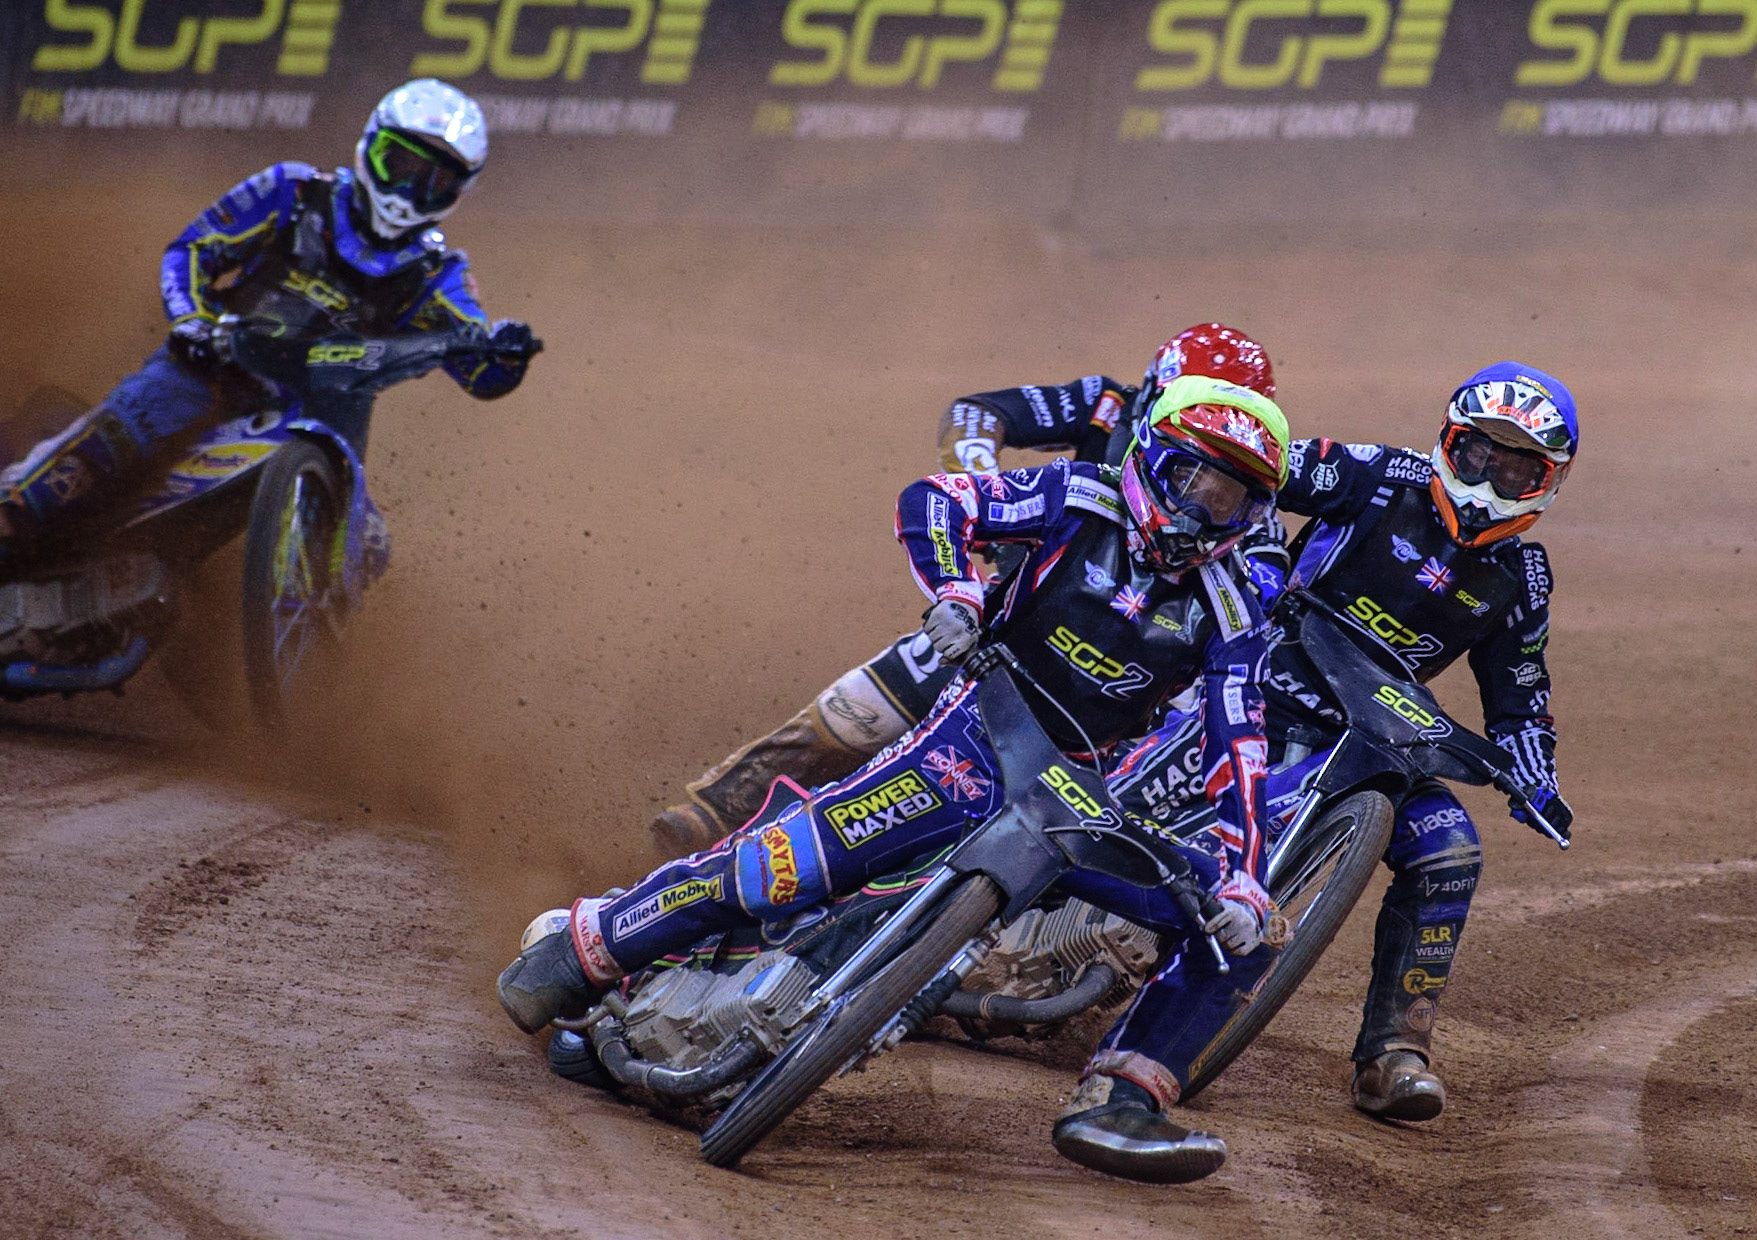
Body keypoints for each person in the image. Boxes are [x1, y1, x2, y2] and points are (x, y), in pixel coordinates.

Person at [500, 373, 1297, 1183]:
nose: (1202, 509)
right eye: (1192, 479)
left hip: (1075, 799)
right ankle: (591, 949)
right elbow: (937, 498)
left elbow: (1243, 738)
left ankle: (1122, 1100)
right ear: (1150, 460)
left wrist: (1244, 879)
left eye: (1230, 498)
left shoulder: (1233, 610)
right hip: (972, 738)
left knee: (1251, 931)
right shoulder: (1080, 496)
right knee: (790, 870)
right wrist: (955, 590)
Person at [1095, 363, 1580, 1123]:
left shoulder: (1522, 576)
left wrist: (1536, 774)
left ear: (1548, 482)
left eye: (1518, 467)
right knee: (1107, 800)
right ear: (1451, 442)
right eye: (1480, 453)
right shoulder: (1379, 476)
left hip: (1382, 734)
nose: (1491, 476)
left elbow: (1520, 692)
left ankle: (1395, 1055)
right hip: (1258, 681)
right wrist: (1248, 564)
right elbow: (1254, 475)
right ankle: (957, 917)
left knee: (1450, 851)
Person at [648, 324, 1279, 856]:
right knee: (871, 700)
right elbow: (975, 414)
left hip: (1124, 680)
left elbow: (1266, 603)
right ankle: (718, 808)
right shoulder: (1106, 404)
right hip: (1007, 616)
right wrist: (998, 504)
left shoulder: (1254, 506)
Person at [0, 79, 537, 571]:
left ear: (456, 195)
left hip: (322, 419)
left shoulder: (439, 273)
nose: (407, 194)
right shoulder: (294, 191)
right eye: (400, 166)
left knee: (370, 550)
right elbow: (193, 250)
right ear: (369, 147)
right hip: (209, 369)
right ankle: (16, 508)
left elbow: (478, 368)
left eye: (434, 184)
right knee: (107, 443)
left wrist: (504, 354)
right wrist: (192, 321)